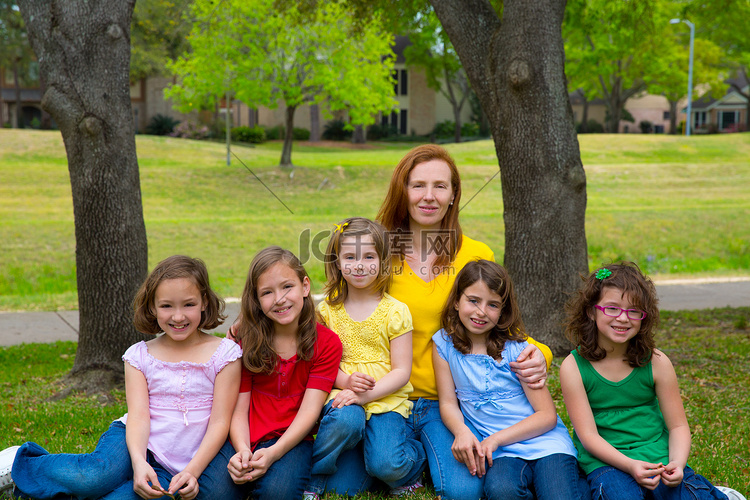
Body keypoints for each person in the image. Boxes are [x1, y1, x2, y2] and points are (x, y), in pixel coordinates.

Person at [364, 143, 551, 500]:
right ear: (402, 191)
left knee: (465, 490)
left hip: (448, 403)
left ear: (454, 194)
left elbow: (500, 321)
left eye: (440, 186)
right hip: (387, 395)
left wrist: (539, 353)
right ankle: (396, 455)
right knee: (381, 465)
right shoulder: (378, 252)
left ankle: (419, 455)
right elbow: (339, 308)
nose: (429, 196)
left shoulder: (476, 254)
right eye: (418, 185)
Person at [2, 255, 242, 500]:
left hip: (189, 458)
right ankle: (22, 464)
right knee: (96, 476)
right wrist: (138, 463)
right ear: (152, 307)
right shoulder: (140, 355)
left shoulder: (224, 355)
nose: (178, 316)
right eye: (167, 306)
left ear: (204, 302)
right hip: (136, 441)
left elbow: (220, 422)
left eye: (188, 305)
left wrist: (192, 471)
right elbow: (139, 416)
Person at [560, 262, 742, 500]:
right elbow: (589, 437)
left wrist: (677, 462)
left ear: (644, 317)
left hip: (658, 455)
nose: (623, 319)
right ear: (591, 311)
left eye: (634, 311)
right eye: (612, 308)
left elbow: (677, 426)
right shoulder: (573, 368)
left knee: (687, 495)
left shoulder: (656, 362)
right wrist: (629, 465)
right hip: (607, 461)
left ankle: (719, 495)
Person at [433, 260, 589, 500]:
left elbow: (546, 416)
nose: (481, 312)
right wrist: (461, 431)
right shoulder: (444, 345)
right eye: (473, 300)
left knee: (559, 494)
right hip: (503, 453)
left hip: (545, 444)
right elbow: (447, 403)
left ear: (503, 310)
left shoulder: (517, 350)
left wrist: (495, 439)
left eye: (492, 305)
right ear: (456, 301)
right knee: (500, 491)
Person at [304, 218, 426, 499]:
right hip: (342, 396)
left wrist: (363, 396)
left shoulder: (395, 311)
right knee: (347, 423)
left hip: (384, 398)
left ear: (383, 261)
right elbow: (319, 365)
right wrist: (346, 382)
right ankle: (316, 476)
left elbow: (401, 371)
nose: (359, 265)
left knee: (385, 465)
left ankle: (413, 458)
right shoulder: (328, 310)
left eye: (369, 256)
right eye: (350, 257)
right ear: (337, 262)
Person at [226, 246, 342, 500]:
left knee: (276, 493)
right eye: (267, 293)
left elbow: (310, 412)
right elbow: (238, 408)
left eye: (287, 287)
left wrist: (274, 453)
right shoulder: (245, 341)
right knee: (215, 492)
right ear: (256, 300)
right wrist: (242, 450)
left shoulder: (327, 343)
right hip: (243, 434)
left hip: (292, 440)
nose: (279, 299)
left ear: (305, 286)